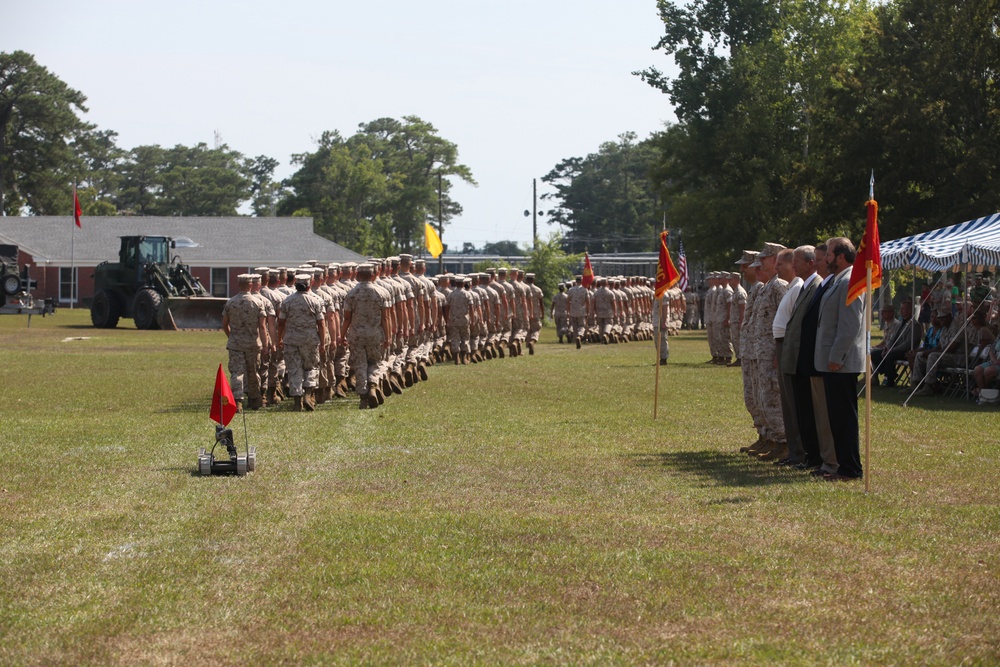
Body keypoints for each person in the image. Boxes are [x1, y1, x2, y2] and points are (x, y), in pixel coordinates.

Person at [815, 237, 866, 481]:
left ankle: (850, 469)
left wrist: (836, 356)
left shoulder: (848, 282)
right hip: (833, 361)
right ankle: (844, 467)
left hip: (840, 364)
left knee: (844, 418)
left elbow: (850, 325)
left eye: (829, 254)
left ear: (841, 257)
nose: (825, 258)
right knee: (837, 416)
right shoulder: (839, 281)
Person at [777, 245, 822, 467]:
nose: (793, 265)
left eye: (797, 261)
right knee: (797, 408)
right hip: (793, 354)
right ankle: (804, 455)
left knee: (804, 408)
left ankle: (808, 455)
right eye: (792, 261)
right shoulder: (805, 285)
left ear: (810, 263)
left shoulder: (814, 285)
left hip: (803, 356)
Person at [341, 263, 392, 409]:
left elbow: (346, 318)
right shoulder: (382, 293)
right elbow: (386, 318)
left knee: (360, 365)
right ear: (374, 275)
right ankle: (372, 385)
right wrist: (388, 336)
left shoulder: (351, 294)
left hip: (356, 335)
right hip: (375, 334)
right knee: (374, 362)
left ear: (357, 276)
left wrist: (342, 335)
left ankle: (363, 397)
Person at [277, 273, 325, 412]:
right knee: (310, 367)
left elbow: (281, 323)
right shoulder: (316, 301)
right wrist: (322, 342)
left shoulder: (287, 301)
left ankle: (297, 400)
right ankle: (308, 395)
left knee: (294, 369)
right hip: (310, 340)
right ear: (309, 285)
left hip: (291, 340)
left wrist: (279, 338)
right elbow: (321, 323)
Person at [222, 274, 269, 410]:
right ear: (251, 285)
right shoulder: (257, 303)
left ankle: (237, 401)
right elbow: (262, 326)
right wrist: (265, 345)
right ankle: (254, 399)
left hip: (235, 343)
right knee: (253, 371)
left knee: (237, 372)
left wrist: (231, 336)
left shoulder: (231, 302)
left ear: (238, 285)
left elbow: (225, 323)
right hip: (252, 344)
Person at [871, 300, 920, 387]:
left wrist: (892, 349)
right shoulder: (901, 323)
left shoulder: (914, 325)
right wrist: (887, 347)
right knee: (874, 353)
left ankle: (890, 379)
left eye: (903, 309)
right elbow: (893, 338)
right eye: (901, 309)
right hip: (895, 349)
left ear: (909, 310)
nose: (901, 311)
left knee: (890, 354)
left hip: (907, 351)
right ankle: (885, 371)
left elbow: (908, 343)